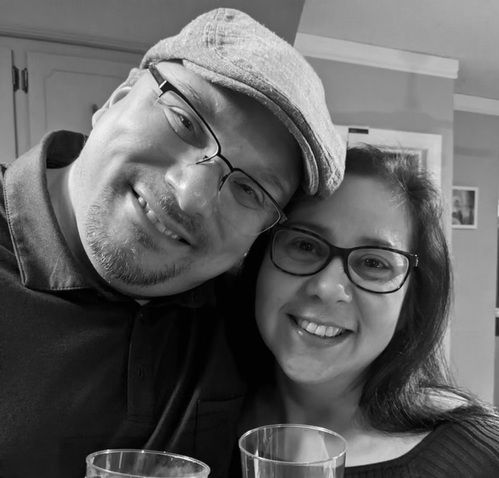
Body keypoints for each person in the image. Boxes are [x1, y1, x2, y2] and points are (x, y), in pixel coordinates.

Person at [0, 8, 345, 478]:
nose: (191, 195)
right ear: (118, 98)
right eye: (184, 121)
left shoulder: (246, 308)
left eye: (250, 190)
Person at [230, 146, 499, 477]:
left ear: (410, 305)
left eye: (373, 263)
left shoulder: (482, 458)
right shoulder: (199, 411)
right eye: (304, 245)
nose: (326, 287)